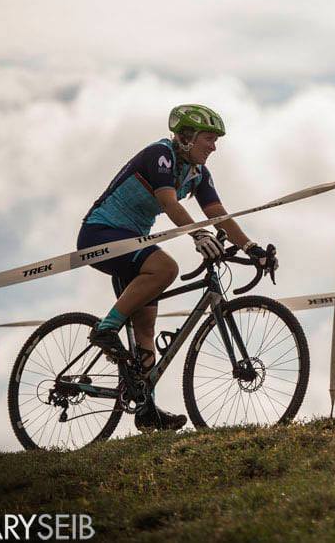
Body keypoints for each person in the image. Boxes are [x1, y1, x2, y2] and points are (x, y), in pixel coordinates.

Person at [77, 104, 276, 432]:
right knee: (166, 268)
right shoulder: (161, 155)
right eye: (208, 138)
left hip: (133, 240)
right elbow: (169, 202)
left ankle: (146, 409)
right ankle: (105, 329)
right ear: (185, 138)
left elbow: (218, 215)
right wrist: (198, 235)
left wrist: (252, 248)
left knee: (146, 331)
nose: (214, 146)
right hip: (101, 233)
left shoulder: (198, 173)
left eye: (215, 140)